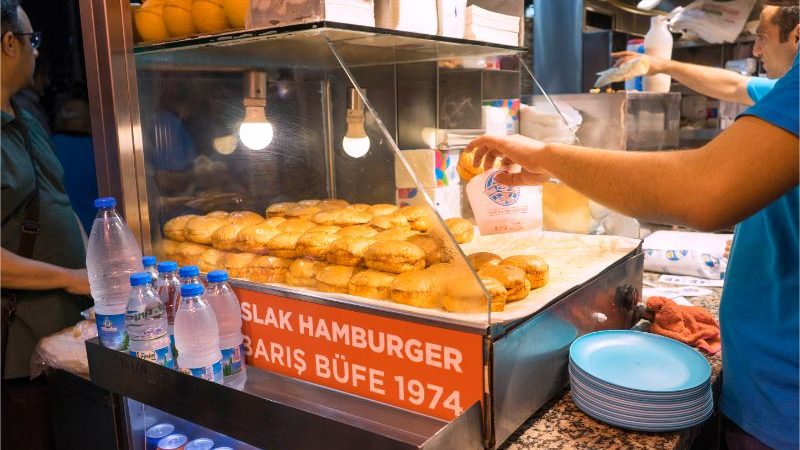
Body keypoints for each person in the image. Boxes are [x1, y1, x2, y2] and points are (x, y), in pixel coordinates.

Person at [466, 2, 798, 449]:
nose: (754, 43)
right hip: (769, 384)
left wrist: (544, 155)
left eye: (761, 32)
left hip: (784, 405)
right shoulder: (786, 88)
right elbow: (735, 87)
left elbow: (702, 189)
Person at [1, 1, 92, 448]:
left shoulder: (26, 118)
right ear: (8, 43)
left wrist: (99, 265)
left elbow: (56, 200)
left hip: (67, 346)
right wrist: (73, 278)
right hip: (18, 361)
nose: (38, 53)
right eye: (32, 41)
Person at [51, 97, 99, 234]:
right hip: (95, 228)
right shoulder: (99, 148)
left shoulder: (48, 146)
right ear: (87, 119)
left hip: (62, 229)